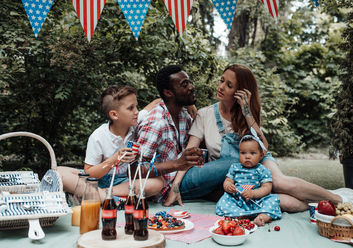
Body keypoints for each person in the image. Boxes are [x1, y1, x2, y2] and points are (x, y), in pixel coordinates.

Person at [164, 64, 353, 211]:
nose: (221, 87)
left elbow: (264, 148)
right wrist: (175, 187)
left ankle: (344, 200)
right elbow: (189, 155)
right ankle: (323, 200)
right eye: (222, 80)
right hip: (235, 171)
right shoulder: (204, 114)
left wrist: (248, 113)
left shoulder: (245, 113)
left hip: (257, 158)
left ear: (241, 91)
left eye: (229, 85)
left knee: (277, 182)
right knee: (273, 198)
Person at [58, 85, 202, 201]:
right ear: (114, 115)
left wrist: (188, 105)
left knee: (157, 183)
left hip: (124, 183)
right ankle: (103, 196)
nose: (137, 111)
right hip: (99, 179)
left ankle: (101, 195)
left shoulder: (136, 122)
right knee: (59, 172)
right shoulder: (98, 137)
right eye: (131, 108)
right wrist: (114, 159)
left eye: (136, 106)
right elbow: (90, 173)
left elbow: (158, 102)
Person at [133, 65, 204, 202]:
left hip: (183, 176)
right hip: (166, 189)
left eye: (189, 82)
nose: (191, 87)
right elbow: (136, 170)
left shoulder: (183, 115)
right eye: (184, 85)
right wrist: (178, 164)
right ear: (168, 93)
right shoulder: (156, 123)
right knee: (229, 165)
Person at [216, 133, 282, 226]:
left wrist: (253, 193)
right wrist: (228, 186)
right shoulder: (235, 167)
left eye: (252, 153)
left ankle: (262, 217)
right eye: (243, 153)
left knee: (273, 202)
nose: (247, 156)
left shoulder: (262, 169)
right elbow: (228, 180)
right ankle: (239, 215)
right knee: (223, 202)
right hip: (238, 199)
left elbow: (267, 187)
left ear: (261, 155)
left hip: (258, 200)